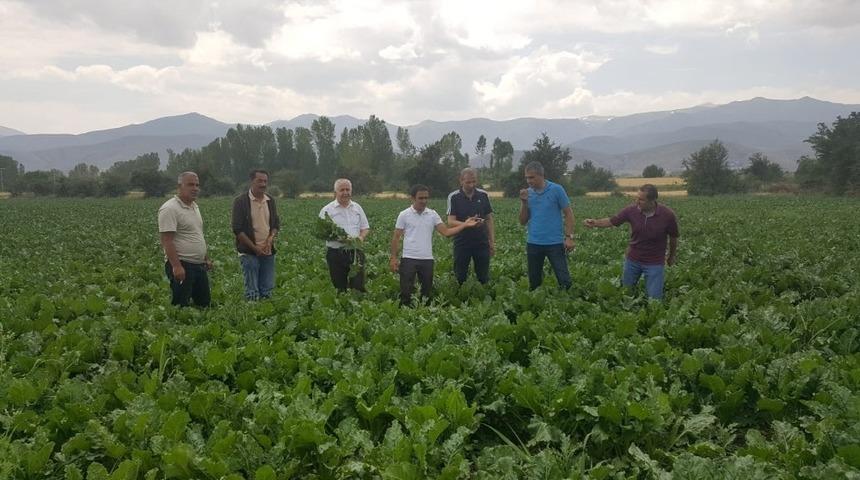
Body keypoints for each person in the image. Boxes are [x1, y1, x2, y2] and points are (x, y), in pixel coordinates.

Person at [584, 184, 679, 300]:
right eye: (637, 198)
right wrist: (595, 223)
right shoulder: (631, 210)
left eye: (641, 199)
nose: (637, 201)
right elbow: (613, 221)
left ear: (652, 200)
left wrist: (671, 256)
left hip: (654, 262)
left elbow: (673, 237)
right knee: (625, 294)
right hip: (633, 259)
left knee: (655, 300)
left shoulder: (667, 215)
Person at [390, 184, 481, 305]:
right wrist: (393, 258)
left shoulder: (432, 215)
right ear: (412, 198)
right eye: (420, 198)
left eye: (426, 198)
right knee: (406, 293)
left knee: (426, 294)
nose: (424, 201)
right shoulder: (404, 215)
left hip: (427, 259)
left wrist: (465, 225)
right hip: (408, 259)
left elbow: (446, 232)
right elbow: (396, 237)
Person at [158, 171, 213, 307]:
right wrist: (176, 266)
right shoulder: (169, 208)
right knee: (180, 305)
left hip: (199, 265)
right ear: (179, 186)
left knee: (204, 304)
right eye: (190, 185)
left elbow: (197, 233)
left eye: (197, 185)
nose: (195, 188)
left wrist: (205, 258)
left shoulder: (194, 206)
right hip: (183, 264)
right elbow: (167, 240)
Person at [518, 161, 575, 290]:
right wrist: (524, 203)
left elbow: (569, 214)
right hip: (533, 243)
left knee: (564, 280)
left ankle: (568, 305)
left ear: (541, 175)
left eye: (531, 177)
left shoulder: (556, 190)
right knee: (534, 282)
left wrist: (569, 237)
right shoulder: (527, 193)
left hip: (554, 243)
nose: (528, 181)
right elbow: (522, 221)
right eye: (526, 177)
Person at [231, 169, 280, 300]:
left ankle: (266, 315)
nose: (263, 184)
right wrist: (254, 248)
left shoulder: (270, 201)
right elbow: (237, 229)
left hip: (268, 251)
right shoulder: (241, 201)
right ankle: (253, 316)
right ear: (252, 181)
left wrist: (270, 239)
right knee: (252, 291)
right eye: (260, 181)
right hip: (249, 252)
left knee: (267, 288)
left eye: (265, 181)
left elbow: (275, 224)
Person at [319, 178, 370, 292]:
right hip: (336, 253)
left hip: (355, 252)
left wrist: (360, 238)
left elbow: (365, 227)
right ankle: (342, 307)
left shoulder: (357, 208)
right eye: (342, 190)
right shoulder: (327, 210)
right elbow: (322, 233)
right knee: (339, 286)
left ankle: (357, 305)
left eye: (348, 189)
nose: (345, 192)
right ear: (335, 192)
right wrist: (340, 238)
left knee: (358, 286)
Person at [447, 168, 495, 284]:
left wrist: (492, 241)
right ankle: (461, 297)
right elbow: (451, 221)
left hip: (481, 242)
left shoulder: (483, 195)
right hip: (462, 242)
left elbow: (488, 219)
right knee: (460, 276)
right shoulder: (454, 197)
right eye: (468, 182)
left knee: (483, 276)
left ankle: (482, 297)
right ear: (461, 181)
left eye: (474, 181)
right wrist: (467, 224)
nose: (471, 185)